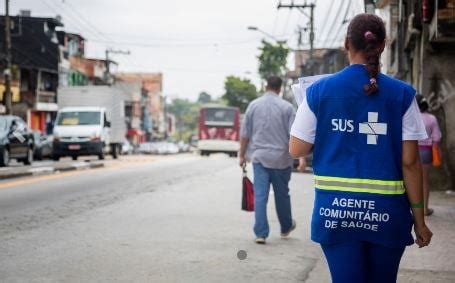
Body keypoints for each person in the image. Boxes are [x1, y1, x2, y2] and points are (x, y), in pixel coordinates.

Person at [289, 14, 433, 283]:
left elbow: (296, 149)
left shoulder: (318, 92)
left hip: (335, 214)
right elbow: (411, 164)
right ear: (384, 45)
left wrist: (331, 126)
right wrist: (420, 220)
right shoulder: (403, 95)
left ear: (346, 43)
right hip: (387, 214)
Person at [239, 76, 303, 244]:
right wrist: (301, 158)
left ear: (266, 86)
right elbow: (295, 135)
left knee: (260, 196)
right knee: (282, 195)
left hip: (259, 158)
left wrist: (241, 155)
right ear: (280, 89)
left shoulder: (253, 105)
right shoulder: (287, 108)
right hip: (282, 159)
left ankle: (261, 233)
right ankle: (285, 227)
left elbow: (245, 134)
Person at [416, 94, 442, 216]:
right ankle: (425, 209)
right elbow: (436, 137)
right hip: (426, 151)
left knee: (411, 179)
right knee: (425, 181)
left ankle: (413, 208)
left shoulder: (412, 117)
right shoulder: (432, 118)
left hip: (412, 151)